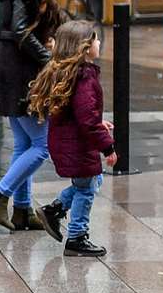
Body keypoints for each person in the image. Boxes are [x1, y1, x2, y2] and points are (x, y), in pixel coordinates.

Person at [0, 0, 69, 231]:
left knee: (25, 143)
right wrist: (49, 59)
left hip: (11, 68)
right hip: (22, 72)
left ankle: (21, 210)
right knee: (42, 145)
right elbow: (19, 30)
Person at [32, 21, 118, 256]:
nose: (99, 43)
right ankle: (77, 237)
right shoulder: (84, 78)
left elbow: (79, 114)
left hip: (69, 141)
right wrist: (108, 146)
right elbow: (86, 119)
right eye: (96, 39)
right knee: (87, 188)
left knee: (88, 183)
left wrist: (98, 124)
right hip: (77, 145)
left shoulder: (70, 73)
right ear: (85, 47)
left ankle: (54, 209)